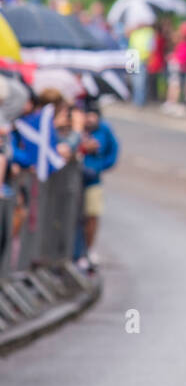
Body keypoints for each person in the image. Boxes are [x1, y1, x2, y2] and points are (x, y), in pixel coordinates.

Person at [77, 102, 119, 272]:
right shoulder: (77, 128)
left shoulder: (104, 130)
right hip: (74, 179)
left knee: (92, 215)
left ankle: (88, 249)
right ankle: (76, 252)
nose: (90, 119)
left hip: (93, 180)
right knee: (75, 217)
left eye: (94, 116)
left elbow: (114, 150)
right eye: (88, 115)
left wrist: (100, 166)